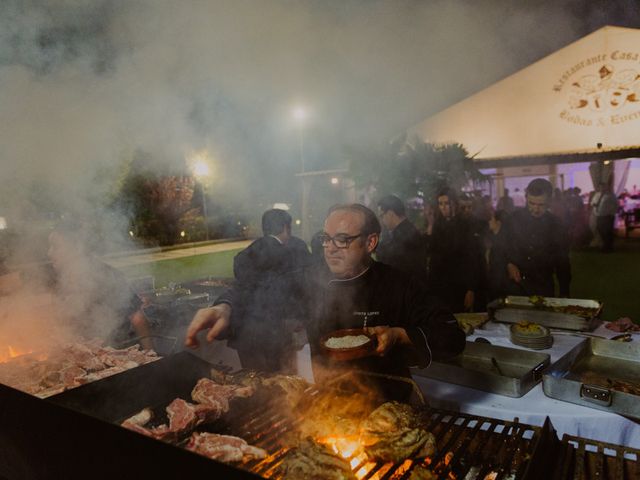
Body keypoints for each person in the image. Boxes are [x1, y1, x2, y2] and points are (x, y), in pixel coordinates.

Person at [186, 204, 465, 400]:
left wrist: (400, 335)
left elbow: (452, 335)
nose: (330, 248)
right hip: (329, 399)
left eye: (342, 240)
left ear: (370, 242)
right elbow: (261, 290)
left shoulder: (399, 284)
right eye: (326, 239)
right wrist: (225, 306)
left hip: (389, 401)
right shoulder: (310, 278)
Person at [45, 220, 152, 349]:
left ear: (77, 247)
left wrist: (151, 355)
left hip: (115, 356)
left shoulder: (108, 277)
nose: (49, 253)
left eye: (55, 246)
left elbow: (138, 318)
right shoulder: (63, 281)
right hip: (81, 356)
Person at [229, 208, 311, 372]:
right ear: (287, 228)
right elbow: (301, 290)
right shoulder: (291, 254)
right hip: (276, 334)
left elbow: (241, 288)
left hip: (245, 334)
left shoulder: (245, 254)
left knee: (254, 382)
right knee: (282, 386)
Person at [497, 178, 571, 298]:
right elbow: (499, 249)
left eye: (541, 205)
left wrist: (564, 292)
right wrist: (508, 263)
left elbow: (563, 262)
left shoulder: (556, 225)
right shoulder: (512, 220)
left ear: (549, 202)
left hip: (542, 285)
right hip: (515, 286)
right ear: (526, 198)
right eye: (532, 203)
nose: (536, 209)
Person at [426, 189, 478, 313]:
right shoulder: (438, 224)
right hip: (439, 283)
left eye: (446, 203)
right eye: (440, 204)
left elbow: (472, 258)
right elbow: (431, 252)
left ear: (454, 204)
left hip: (459, 284)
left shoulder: (465, 225)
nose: (443, 207)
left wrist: (471, 289)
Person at [376, 195, 427, 279]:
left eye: (382, 216)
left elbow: (389, 260)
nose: (382, 221)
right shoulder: (406, 230)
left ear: (390, 214)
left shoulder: (404, 234)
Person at [595, 182, 618, 253]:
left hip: (608, 216)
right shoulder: (598, 195)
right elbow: (596, 203)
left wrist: (612, 214)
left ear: (606, 187)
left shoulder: (611, 195)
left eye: (603, 187)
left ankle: (608, 247)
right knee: (600, 229)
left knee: (607, 232)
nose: (601, 188)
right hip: (599, 215)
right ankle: (606, 245)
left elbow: (615, 205)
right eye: (600, 187)